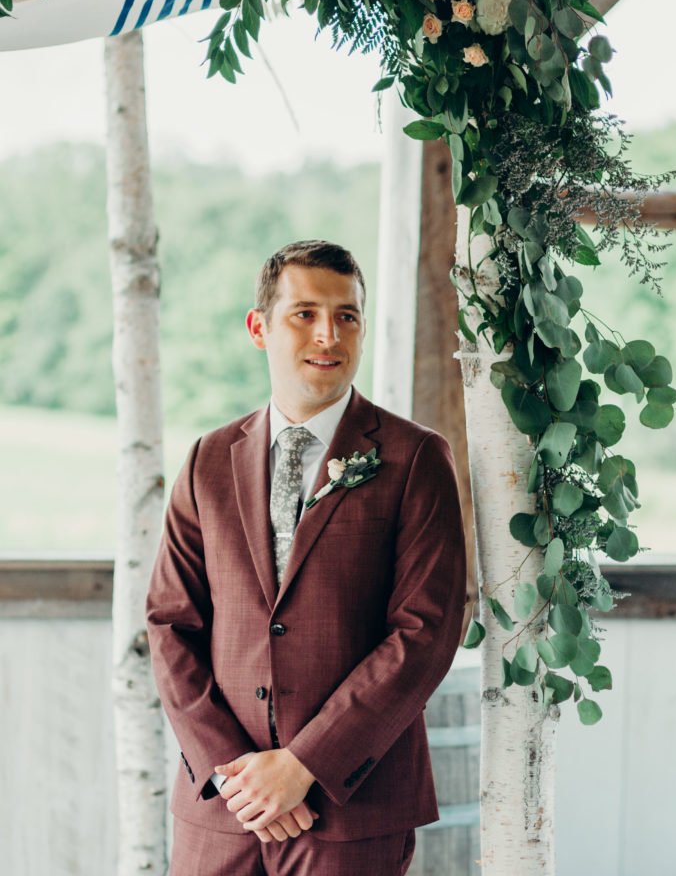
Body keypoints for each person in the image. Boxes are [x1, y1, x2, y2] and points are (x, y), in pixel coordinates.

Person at [146, 239, 467, 876]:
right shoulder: (208, 460)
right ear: (259, 327)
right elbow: (169, 625)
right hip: (221, 811)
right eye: (305, 313)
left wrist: (304, 766)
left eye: (347, 316)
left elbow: (424, 634)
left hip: (351, 811)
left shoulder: (415, 459)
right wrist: (236, 776)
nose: (329, 333)